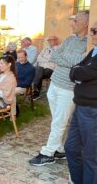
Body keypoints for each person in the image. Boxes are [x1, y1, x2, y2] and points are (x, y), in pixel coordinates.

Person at [29, 10, 89, 166]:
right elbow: (53, 56)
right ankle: (60, 149)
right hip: (55, 83)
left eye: (75, 21)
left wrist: (65, 58)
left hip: (69, 88)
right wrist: (69, 60)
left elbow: (80, 62)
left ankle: (47, 153)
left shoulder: (89, 44)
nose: (71, 23)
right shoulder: (69, 39)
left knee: (59, 122)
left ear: (85, 23)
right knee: (58, 120)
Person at [65, 21, 97, 184]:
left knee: (91, 156)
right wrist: (77, 72)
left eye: (95, 30)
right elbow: (76, 69)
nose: (91, 34)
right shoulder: (94, 51)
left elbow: (85, 72)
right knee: (70, 148)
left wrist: (77, 73)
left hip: (92, 110)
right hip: (80, 107)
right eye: (92, 30)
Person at [32, 36, 59, 100]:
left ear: (56, 41)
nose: (49, 41)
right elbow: (38, 58)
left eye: (51, 40)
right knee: (38, 70)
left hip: (51, 69)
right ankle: (36, 91)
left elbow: (54, 59)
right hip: (41, 67)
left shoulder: (58, 49)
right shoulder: (45, 48)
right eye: (49, 40)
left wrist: (44, 59)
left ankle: (36, 91)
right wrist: (48, 60)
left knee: (38, 74)